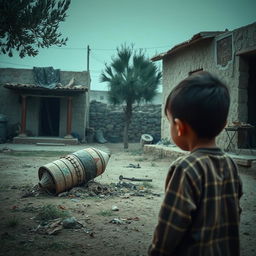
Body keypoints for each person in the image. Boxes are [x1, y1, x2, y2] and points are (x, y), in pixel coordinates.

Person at [148, 71, 243, 256]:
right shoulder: (231, 165)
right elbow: (234, 215)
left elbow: (169, 228)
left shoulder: (185, 168)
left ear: (180, 127)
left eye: (169, 122)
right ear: (224, 125)